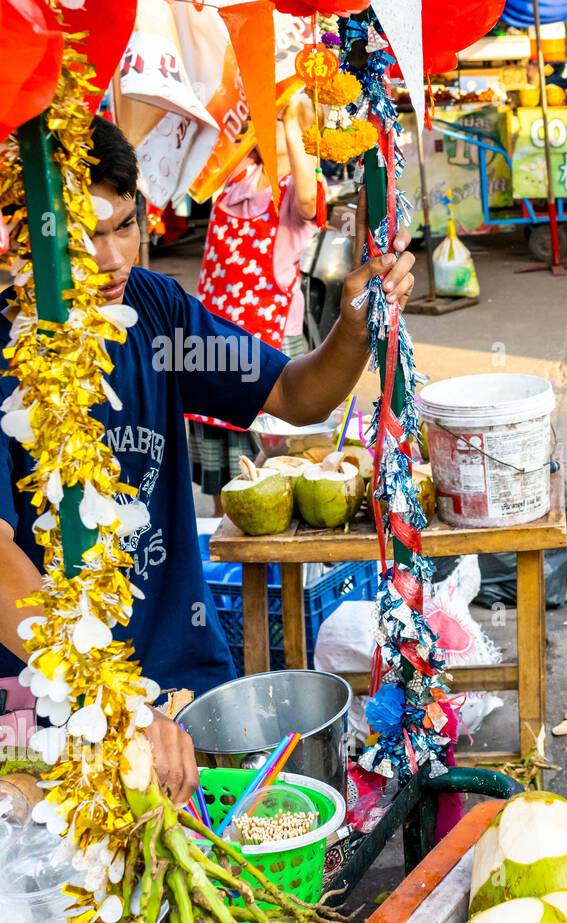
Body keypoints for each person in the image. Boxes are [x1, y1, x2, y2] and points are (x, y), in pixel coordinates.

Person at [0, 119, 417, 801]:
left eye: (125, 227)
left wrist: (351, 325)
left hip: (180, 685)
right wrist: (108, 701)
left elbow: (294, 392)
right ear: (29, 237)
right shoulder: (5, 347)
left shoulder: (154, 310)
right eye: (84, 238)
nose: (111, 259)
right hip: (42, 713)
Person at [189, 93, 323, 506]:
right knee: (226, 479)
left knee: (273, 465)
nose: (267, 128)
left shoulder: (296, 196)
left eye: (285, 124)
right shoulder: (234, 180)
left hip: (270, 343)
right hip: (212, 339)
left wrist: (290, 126)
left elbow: (305, 197)